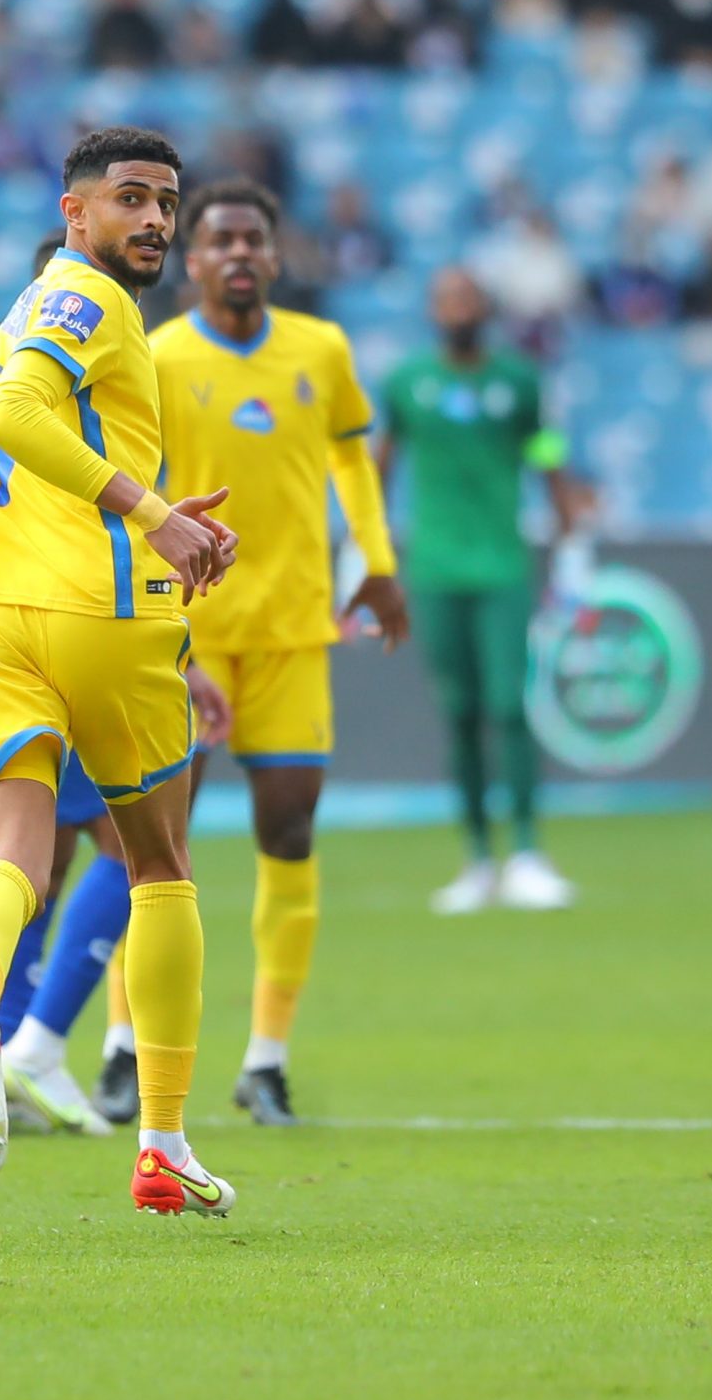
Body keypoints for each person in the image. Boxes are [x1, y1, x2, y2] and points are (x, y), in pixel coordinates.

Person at [0, 126, 242, 1217]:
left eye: (166, 201)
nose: (155, 219)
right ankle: (160, 1142)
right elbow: (21, 415)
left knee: (13, 853)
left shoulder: (17, 313)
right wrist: (153, 515)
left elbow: (9, 422)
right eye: (131, 199)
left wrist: (142, 508)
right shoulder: (87, 301)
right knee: (158, 864)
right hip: (101, 615)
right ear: (75, 214)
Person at [130, 181, 404, 1125]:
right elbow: (130, 494)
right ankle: (129, 1045)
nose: (239, 253)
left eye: (254, 238)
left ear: (275, 259)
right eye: (219, 240)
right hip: (189, 634)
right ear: (191, 261)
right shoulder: (158, 357)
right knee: (159, 846)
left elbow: (352, 464)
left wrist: (378, 561)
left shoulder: (320, 350)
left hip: (293, 631)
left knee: (288, 831)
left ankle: (266, 1059)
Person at [378, 269, 583, 914]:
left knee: (509, 706)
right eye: (447, 299)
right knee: (460, 713)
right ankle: (476, 860)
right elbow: (382, 462)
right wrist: (367, 551)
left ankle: (526, 852)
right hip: (435, 568)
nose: (458, 309)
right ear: (434, 311)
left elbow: (545, 446)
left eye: (468, 299)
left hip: (501, 566)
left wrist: (568, 520)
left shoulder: (518, 381)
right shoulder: (407, 384)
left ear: (485, 310)